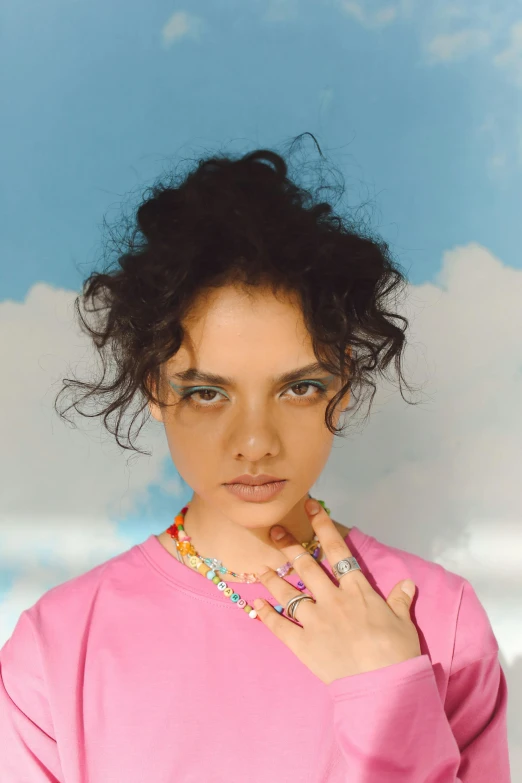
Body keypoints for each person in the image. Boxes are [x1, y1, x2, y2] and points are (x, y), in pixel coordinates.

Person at [0, 134, 511, 781]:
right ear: (156, 386)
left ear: (344, 383)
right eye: (208, 392)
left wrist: (389, 695)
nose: (255, 441)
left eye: (299, 387)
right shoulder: (55, 648)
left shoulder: (439, 619)